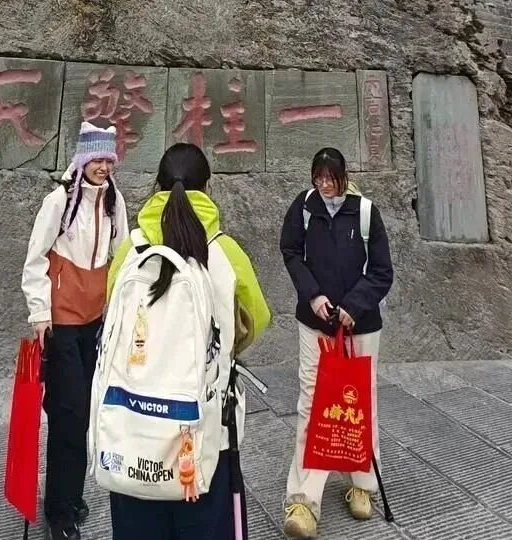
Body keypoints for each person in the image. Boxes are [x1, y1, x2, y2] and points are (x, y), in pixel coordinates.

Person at [106, 141, 271, 540]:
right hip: (203, 433)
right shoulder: (224, 251)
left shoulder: (131, 248)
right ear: (207, 188)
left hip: (133, 431)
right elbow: (257, 319)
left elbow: (110, 313)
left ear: (157, 187)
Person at [21, 122, 129, 540]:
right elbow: (35, 259)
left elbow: (122, 253)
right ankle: (59, 512)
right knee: (68, 415)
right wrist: (39, 313)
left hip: (95, 321)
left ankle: (70, 494)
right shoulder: (58, 200)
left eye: (108, 159)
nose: (103, 167)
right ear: (82, 160)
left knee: (86, 412)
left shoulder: (114, 199)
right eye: (96, 159)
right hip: (62, 322)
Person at [280, 147, 393, 539]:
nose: (325, 185)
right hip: (315, 323)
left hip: (360, 326)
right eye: (319, 177)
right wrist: (313, 295)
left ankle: (362, 484)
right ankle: (303, 499)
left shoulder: (365, 212)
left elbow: (382, 272)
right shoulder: (304, 207)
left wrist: (353, 306)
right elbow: (291, 252)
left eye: (331, 178)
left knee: (360, 402)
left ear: (345, 176)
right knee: (312, 401)